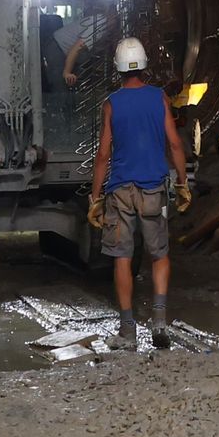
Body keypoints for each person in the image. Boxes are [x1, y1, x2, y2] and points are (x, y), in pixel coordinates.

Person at [83, 36, 188, 352]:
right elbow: (174, 144)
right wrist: (182, 181)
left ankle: (127, 332)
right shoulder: (159, 99)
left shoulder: (111, 103)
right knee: (159, 255)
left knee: (122, 258)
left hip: (120, 192)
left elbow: (103, 154)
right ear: (144, 65)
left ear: (117, 69)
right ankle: (159, 322)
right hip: (153, 188)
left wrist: (95, 196)